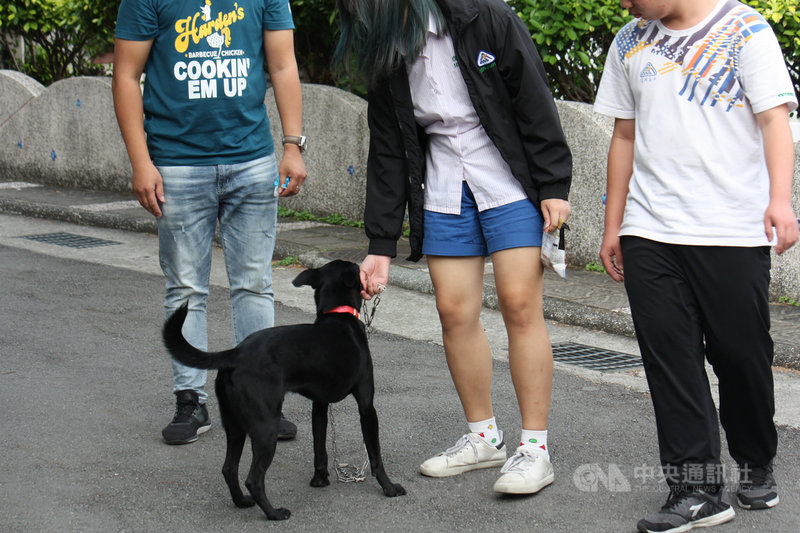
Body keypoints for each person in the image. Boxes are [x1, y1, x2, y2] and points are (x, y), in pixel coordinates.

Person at [335, 0, 572, 494]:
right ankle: (484, 438)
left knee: (519, 302)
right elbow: (388, 148)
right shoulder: (387, 51)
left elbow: (534, 101)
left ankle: (535, 449)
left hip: (507, 179)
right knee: (453, 310)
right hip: (444, 184)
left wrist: (554, 185)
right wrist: (381, 241)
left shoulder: (486, 18)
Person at [594, 0, 798, 531]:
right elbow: (624, 134)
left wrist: (781, 199)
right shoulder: (629, 40)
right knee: (671, 361)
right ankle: (696, 488)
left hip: (729, 229)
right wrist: (614, 225)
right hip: (650, 230)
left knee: (740, 355)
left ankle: (755, 458)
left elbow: (775, 120)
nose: (623, 3)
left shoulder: (744, 29)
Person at [112, 0, 308, 445]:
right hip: (177, 164)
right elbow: (125, 75)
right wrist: (140, 161)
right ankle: (191, 400)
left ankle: (260, 399)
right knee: (185, 287)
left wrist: (293, 144)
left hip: (252, 160)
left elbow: (282, 64)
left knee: (255, 283)